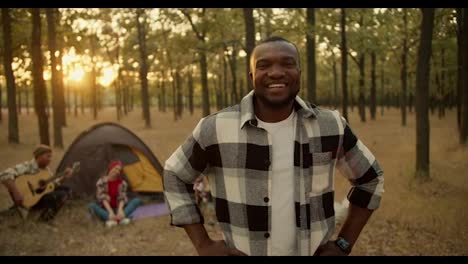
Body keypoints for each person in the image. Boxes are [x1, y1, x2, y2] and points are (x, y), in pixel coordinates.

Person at [163, 36, 384, 256]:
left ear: (299, 73)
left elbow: (370, 178)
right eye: (264, 65)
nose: (276, 72)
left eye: (287, 64)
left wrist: (344, 244)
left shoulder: (331, 126)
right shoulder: (215, 128)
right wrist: (203, 245)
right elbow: (174, 174)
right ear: (252, 76)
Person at [0, 144, 73, 222]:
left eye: (51, 157)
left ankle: (44, 220)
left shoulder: (45, 170)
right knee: (61, 194)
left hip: (35, 198)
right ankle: (42, 220)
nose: (50, 159)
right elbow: (4, 175)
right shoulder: (27, 166)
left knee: (66, 190)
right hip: (24, 198)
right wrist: (16, 192)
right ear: (39, 156)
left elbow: (52, 185)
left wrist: (64, 177)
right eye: (48, 156)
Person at [88, 160, 142, 228]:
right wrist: (110, 212)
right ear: (111, 168)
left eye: (119, 170)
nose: (117, 171)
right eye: (116, 168)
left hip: (118, 208)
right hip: (106, 209)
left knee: (137, 201)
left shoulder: (122, 183)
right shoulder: (101, 181)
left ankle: (115, 219)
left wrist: (120, 210)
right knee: (91, 206)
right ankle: (118, 219)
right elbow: (102, 198)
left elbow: (122, 197)